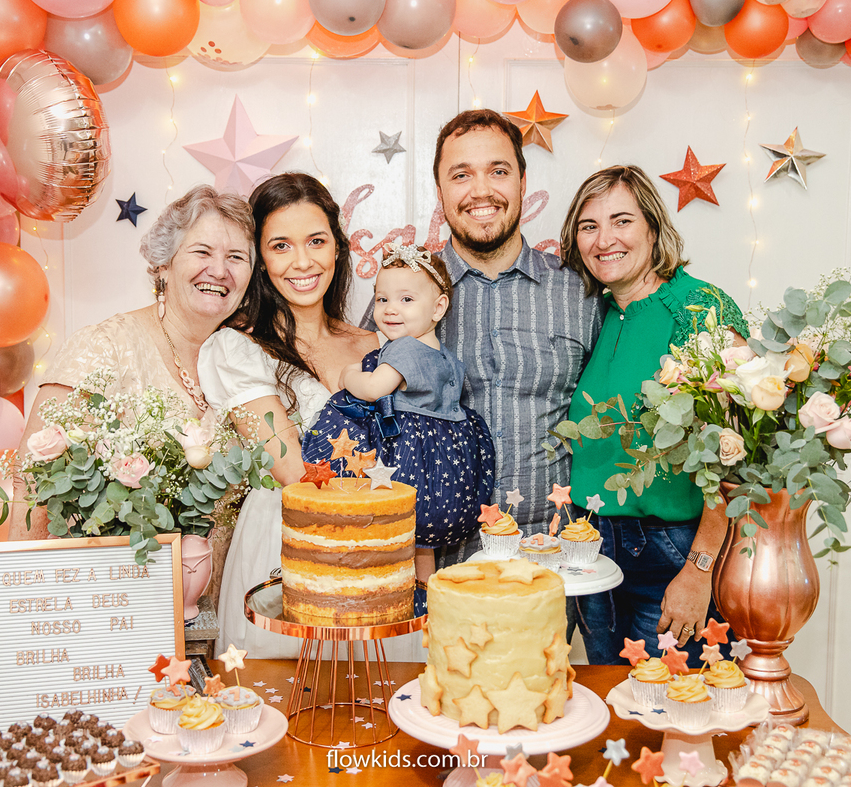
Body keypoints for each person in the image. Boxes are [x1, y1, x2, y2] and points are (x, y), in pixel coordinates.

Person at [8, 184, 256, 618]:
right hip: (117, 610)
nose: (219, 270)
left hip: (220, 617)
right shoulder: (104, 347)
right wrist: (27, 611)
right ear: (164, 264)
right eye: (202, 252)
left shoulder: (244, 362)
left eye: (236, 257)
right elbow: (34, 488)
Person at [558, 165, 749, 665]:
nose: (604, 240)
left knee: (670, 705)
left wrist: (700, 570)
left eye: (622, 221)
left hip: (671, 553)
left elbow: (735, 458)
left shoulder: (698, 306)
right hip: (594, 550)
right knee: (612, 702)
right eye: (589, 226)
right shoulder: (598, 313)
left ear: (652, 227)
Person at [198, 172, 380, 659]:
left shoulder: (373, 342)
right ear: (260, 259)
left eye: (316, 241)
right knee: (287, 692)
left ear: (338, 248)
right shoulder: (237, 348)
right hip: (285, 544)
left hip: (378, 546)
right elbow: (291, 469)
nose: (302, 262)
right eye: (281, 245)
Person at [425, 109, 603, 564]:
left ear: (523, 182)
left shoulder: (580, 292)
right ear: (440, 192)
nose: (481, 191)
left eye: (498, 171)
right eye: (461, 175)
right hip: (440, 568)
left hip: (557, 562)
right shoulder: (403, 295)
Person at [302, 244, 495, 584]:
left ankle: (390, 592)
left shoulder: (406, 348)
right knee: (419, 540)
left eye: (406, 299)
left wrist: (348, 375)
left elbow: (375, 388)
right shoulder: (445, 356)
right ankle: (425, 595)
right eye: (382, 299)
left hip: (405, 457)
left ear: (438, 308)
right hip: (440, 464)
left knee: (392, 529)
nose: (391, 309)